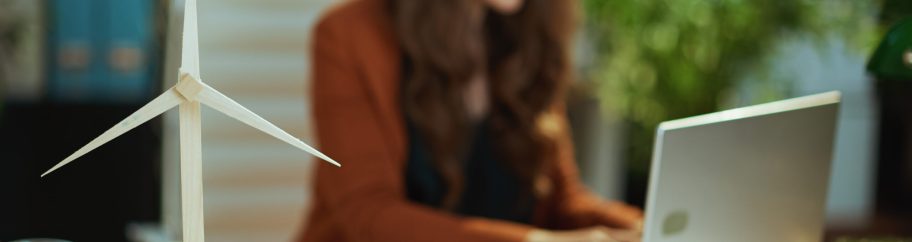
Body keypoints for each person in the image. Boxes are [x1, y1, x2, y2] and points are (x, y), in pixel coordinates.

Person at [299, 0, 643, 241]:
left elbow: (561, 203)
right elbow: (368, 215)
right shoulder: (349, 35)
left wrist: (651, 228)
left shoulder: (524, 37)